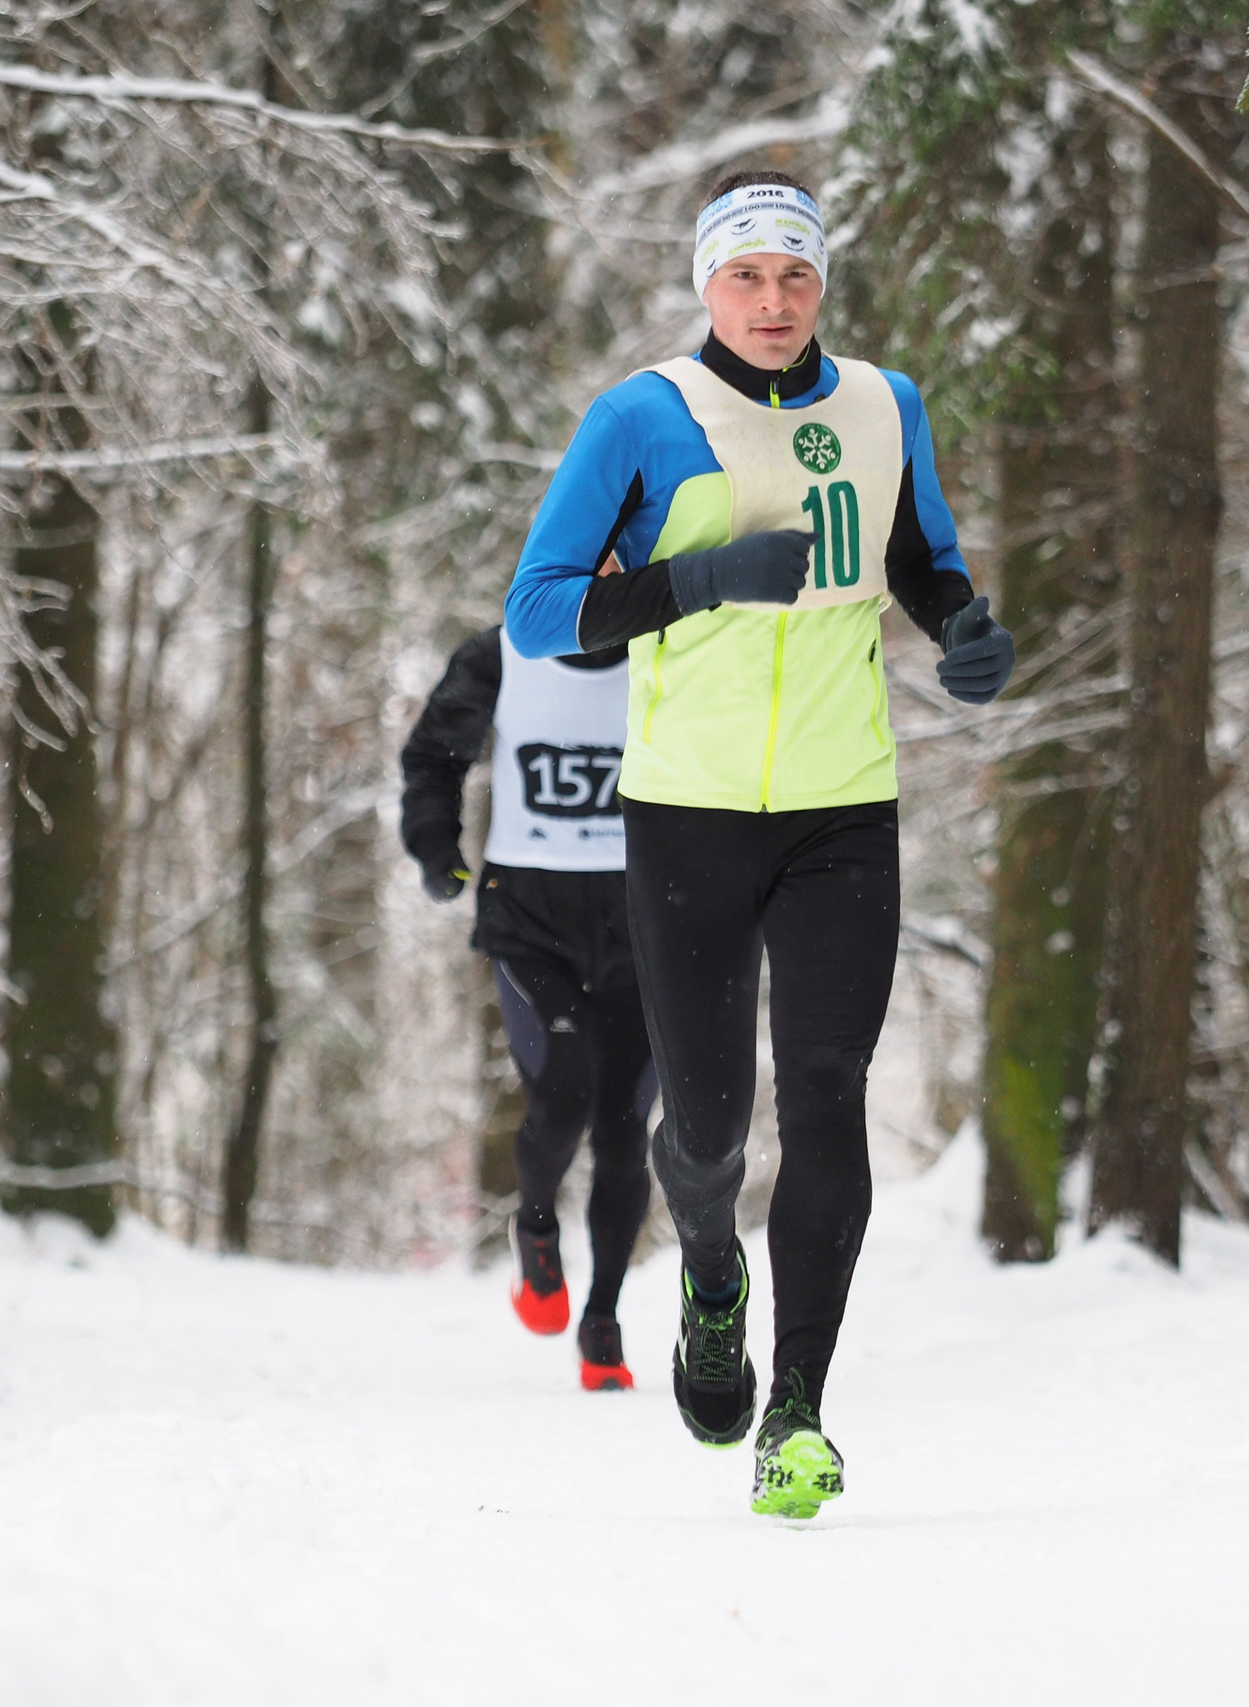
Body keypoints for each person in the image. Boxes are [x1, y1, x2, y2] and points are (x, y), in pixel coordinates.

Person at [503, 170, 1016, 1517]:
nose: (774, 302)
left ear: (823, 284)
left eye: (796, 276)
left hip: (845, 806)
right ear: (704, 285)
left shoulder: (884, 404)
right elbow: (539, 611)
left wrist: (963, 628)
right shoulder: (644, 418)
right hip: (690, 810)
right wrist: (697, 581)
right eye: (746, 277)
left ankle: (798, 1408)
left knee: (829, 1090)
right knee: (711, 1124)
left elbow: (920, 553)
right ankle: (711, 1278)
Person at [398, 623, 655, 1392]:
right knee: (567, 1086)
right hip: (529, 924)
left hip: (643, 923)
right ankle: (536, 1225)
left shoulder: (670, 645)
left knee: (622, 1130)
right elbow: (434, 756)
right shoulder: (503, 654)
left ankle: (602, 1315)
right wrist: (435, 848)